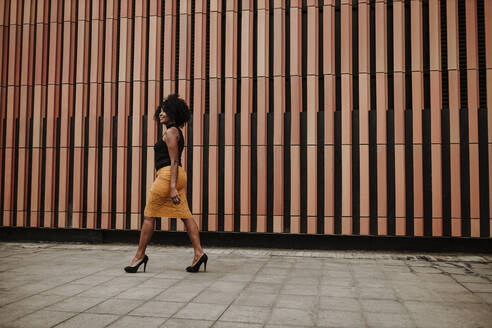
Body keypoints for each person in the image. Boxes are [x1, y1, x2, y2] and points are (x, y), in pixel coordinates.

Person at [124, 94, 207, 273]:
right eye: (160, 110)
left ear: (173, 113)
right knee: (186, 215)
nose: (161, 113)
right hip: (176, 175)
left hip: (168, 175)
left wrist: (171, 187)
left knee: (149, 216)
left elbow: (174, 161)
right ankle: (199, 253)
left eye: (165, 111)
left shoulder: (170, 132)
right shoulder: (176, 131)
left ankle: (139, 256)